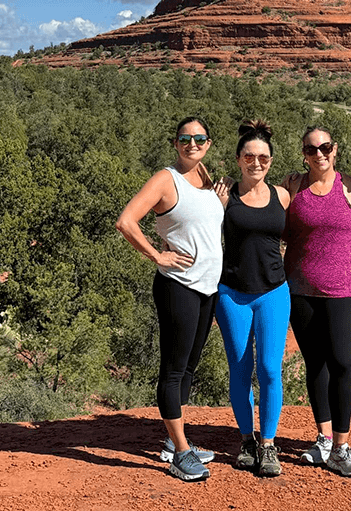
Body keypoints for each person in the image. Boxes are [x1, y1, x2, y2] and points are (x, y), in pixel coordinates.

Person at [115, 117, 226, 482]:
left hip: (207, 286)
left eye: (199, 138)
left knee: (189, 366)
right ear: (174, 142)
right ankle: (180, 454)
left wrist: (219, 200)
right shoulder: (166, 179)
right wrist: (156, 255)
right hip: (178, 285)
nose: (192, 144)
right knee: (174, 369)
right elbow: (126, 221)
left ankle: (173, 440)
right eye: (184, 138)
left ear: (208, 143)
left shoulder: (206, 177)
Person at [282, 126, 351, 477]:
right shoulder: (293, 186)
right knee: (315, 364)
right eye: (311, 148)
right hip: (300, 289)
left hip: (343, 289)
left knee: (342, 364)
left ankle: (341, 447)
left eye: (325, 147)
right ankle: (323, 437)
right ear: (303, 153)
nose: (319, 154)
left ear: (336, 150)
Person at [214, 120, 291, 477]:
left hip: (274, 292)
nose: (255, 163)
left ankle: (268, 444)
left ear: (271, 161)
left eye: (262, 157)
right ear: (238, 158)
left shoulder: (282, 195)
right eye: (249, 156)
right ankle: (246, 439)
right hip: (232, 294)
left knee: (271, 370)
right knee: (241, 371)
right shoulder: (224, 195)